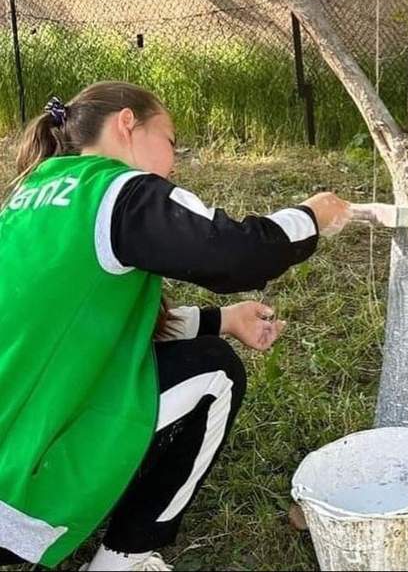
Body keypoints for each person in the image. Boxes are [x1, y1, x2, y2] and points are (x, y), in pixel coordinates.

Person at [0, 81, 352, 570]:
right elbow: (238, 254)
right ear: (127, 124)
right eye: (170, 141)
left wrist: (224, 320)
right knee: (216, 374)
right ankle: (122, 560)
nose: (174, 161)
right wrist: (310, 215)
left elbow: (92, 331)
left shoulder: (31, 193)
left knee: (193, 357)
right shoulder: (118, 191)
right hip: (13, 494)